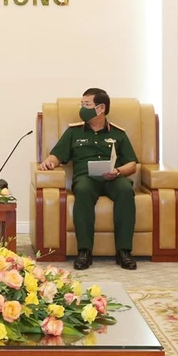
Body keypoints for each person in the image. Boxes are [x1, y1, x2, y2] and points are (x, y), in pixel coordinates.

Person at [38, 88, 139, 271]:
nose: (82, 108)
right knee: (83, 191)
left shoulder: (118, 134)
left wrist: (117, 171)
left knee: (125, 190)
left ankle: (124, 252)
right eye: (82, 104)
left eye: (86, 104)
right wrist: (48, 162)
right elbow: (57, 155)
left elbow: (132, 164)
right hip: (86, 178)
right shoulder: (73, 132)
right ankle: (84, 251)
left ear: (100, 108)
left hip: (113, 177)